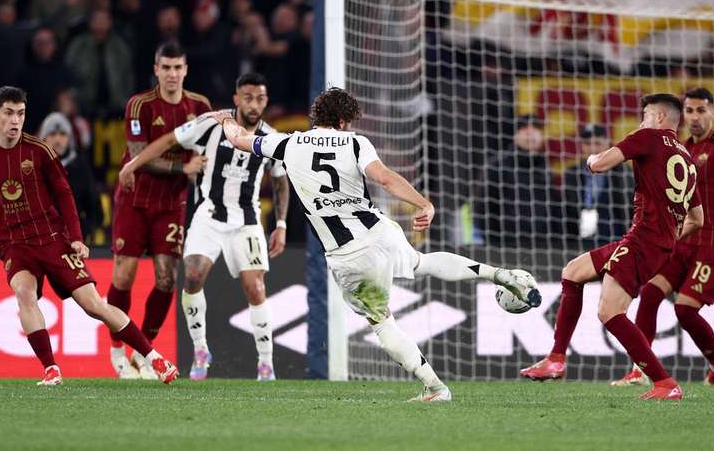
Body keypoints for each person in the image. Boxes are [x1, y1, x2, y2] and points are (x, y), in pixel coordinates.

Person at [211, 87, 540, 402]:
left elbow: (238, 139)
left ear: (319, 116)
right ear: (344, 121)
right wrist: (423, 203)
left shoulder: (287, 144)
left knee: (381, 321)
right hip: (380, 230)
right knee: (420, 262)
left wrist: (226, 118)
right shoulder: (355, 143)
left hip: (348, 254)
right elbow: (383, 177)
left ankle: (435, 387)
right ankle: (498, 273)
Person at [0, 87, 177, 385]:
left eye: (21, 114)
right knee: (24, 294)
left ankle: (154, 357)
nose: (15, 120)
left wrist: (76, 237)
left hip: (52, 238)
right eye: (9, 113)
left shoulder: (40, 150)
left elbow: (65, 195)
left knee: (93, 305)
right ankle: (51, 369)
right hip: (13, 243)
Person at [520, 94, 703, 401]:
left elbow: (600, 164)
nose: (640, 121)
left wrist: (591, 160)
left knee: (610, 313)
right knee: (573, 272)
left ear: (658, 117)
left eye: (645, 114)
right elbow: (697, 219)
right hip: (652, 241)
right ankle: (556, 359)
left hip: (644, 239)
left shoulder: (648, 136)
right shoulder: (687, 158)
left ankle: (665, 383)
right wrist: (668, 236)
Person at [120, 73, 290, 381]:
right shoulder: (211, 123)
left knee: (256, 287)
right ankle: (201, 349)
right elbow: (170, 139)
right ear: (237, 99)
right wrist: (133, 163)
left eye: (260, 99)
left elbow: (280, 181)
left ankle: (266, 362)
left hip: (247, 220)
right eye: (247, 97)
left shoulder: (272, 138)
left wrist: (280, 223)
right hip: (209, 214)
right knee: (193, 275)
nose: (254, 105)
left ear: (266, 102)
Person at [612, 88, 714, 387]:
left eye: (701, 110)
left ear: (712, 111)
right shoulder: (680, 148)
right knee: (649, 294)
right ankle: (639, 372)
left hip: (712, 241)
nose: (695, 117)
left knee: (685, 309)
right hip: (681, 237)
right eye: (689, 111)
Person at [107, 42, 211, 378]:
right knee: (124, 274)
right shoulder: (139, 105)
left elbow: (207, 154)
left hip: (171, 205)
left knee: (166, 279)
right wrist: (185, 169)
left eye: (177, 68)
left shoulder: (200, 106)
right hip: (134, 198)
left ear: (186, 69)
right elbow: (141, 157)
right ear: (156, 70)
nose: (171, 74)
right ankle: (117, 348)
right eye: (165, 68)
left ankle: (144, 352)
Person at [476, 114, 559, 244]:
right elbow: (482, 208)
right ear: (515, 136)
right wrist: (495, 243)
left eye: (536, 128)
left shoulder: (546, 169)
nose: (530, 132)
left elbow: (555, 209)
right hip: (504, 246)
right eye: (524, 127)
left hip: (542, 246)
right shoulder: (496, 165)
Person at [562, 124, 633, 242]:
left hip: (615, 237)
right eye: (587, 144)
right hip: (579, 238)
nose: (592, 149)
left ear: (607, 144)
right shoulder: (572, 174)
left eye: (597, 143)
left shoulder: (623, 173)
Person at [39, 112, 102, 244]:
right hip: (41, 238)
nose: (58, 139)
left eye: (62, 134)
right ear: (43, 138)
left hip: (73, 239)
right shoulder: (33, 165)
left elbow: (94, 206)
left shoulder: (80, 165)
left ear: (69, 138)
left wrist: (84, 230)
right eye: (52, 134)